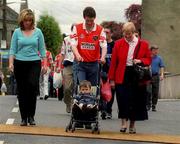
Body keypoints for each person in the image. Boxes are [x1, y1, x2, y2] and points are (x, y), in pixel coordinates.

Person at [108, 22, 152, 134]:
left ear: (134, 33)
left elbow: (148, 60)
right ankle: (123, 123)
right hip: (121, 74)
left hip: (136, 75)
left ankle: (132, 125)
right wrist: (111, 79)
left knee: (135, 100)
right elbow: (113, 62)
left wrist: (140, 60)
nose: (127, 36)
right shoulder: (118, 44)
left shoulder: (143, 44)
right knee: (122, 99)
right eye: (125, 34)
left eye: (129, 34)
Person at [9, 9, 47, 126]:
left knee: (32, 86)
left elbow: (42, 51)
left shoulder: (38, 32)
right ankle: (24, 117)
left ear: (32, 21)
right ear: (22, 20)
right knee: (22, 90)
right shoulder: (16, 32)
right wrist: (11, 63)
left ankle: (31, 116)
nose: (28, 23)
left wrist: (45, 64)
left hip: (34, 62)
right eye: (26, 20)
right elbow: (12, 50)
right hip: (20, 63)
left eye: (30, 20)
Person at [71, 6, 107, 87]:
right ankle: (79, 99)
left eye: (92, 20)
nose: (90, 23)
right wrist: (77, 55)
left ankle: (91, 99)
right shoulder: (77, 28)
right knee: (82, 87)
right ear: (84, 18)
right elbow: (73, 45)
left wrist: (103, 57)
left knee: (92, 89)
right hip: (80, 63)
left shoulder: (100, 29)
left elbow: (104, 45)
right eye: (87, 20)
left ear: (94, 18)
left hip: (94, 64)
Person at [59, 26, 75, 113]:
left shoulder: (81, 39)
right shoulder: (66, 39)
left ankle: (74, 104)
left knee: (77, 87)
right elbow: (62, 53)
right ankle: (68, 103)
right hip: (68, 65)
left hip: (78, 65)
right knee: (67, 88)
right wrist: (58, 66)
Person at [101, 27, 115, 119]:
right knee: (102, 91)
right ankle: (103, 110)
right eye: (104, 32)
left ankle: (109, 110)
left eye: (107, 32)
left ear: (111, 34)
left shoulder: (115, 44)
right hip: (102, 71)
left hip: (112, 71)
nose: (105, 34)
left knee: (111, 92)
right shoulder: (101, 44)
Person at [147, 45, 165, 111]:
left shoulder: (159, 58)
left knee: (155, 92)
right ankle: (148, 104)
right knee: (148, 91)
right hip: (148, 76)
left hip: (155, 76)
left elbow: (162, 66)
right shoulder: (148, 57)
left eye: (157, 50)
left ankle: (154, 105)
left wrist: (162, 74)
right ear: (151, 51)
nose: (156, 51)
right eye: (154, 50)